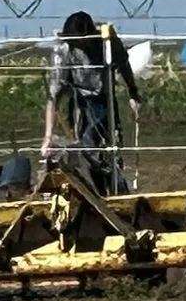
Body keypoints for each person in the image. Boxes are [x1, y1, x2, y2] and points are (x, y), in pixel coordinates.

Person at [41, 11, 142, 193]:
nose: (78, 45)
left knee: (107, 150)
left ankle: (117, 190)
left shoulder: (107, 42)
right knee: (83, 149)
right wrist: (48, 135)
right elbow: (53, 96)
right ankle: (93, 191)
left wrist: (133, 93)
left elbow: (123, 65)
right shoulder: (63, 50)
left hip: (104, 101)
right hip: (79, 103)